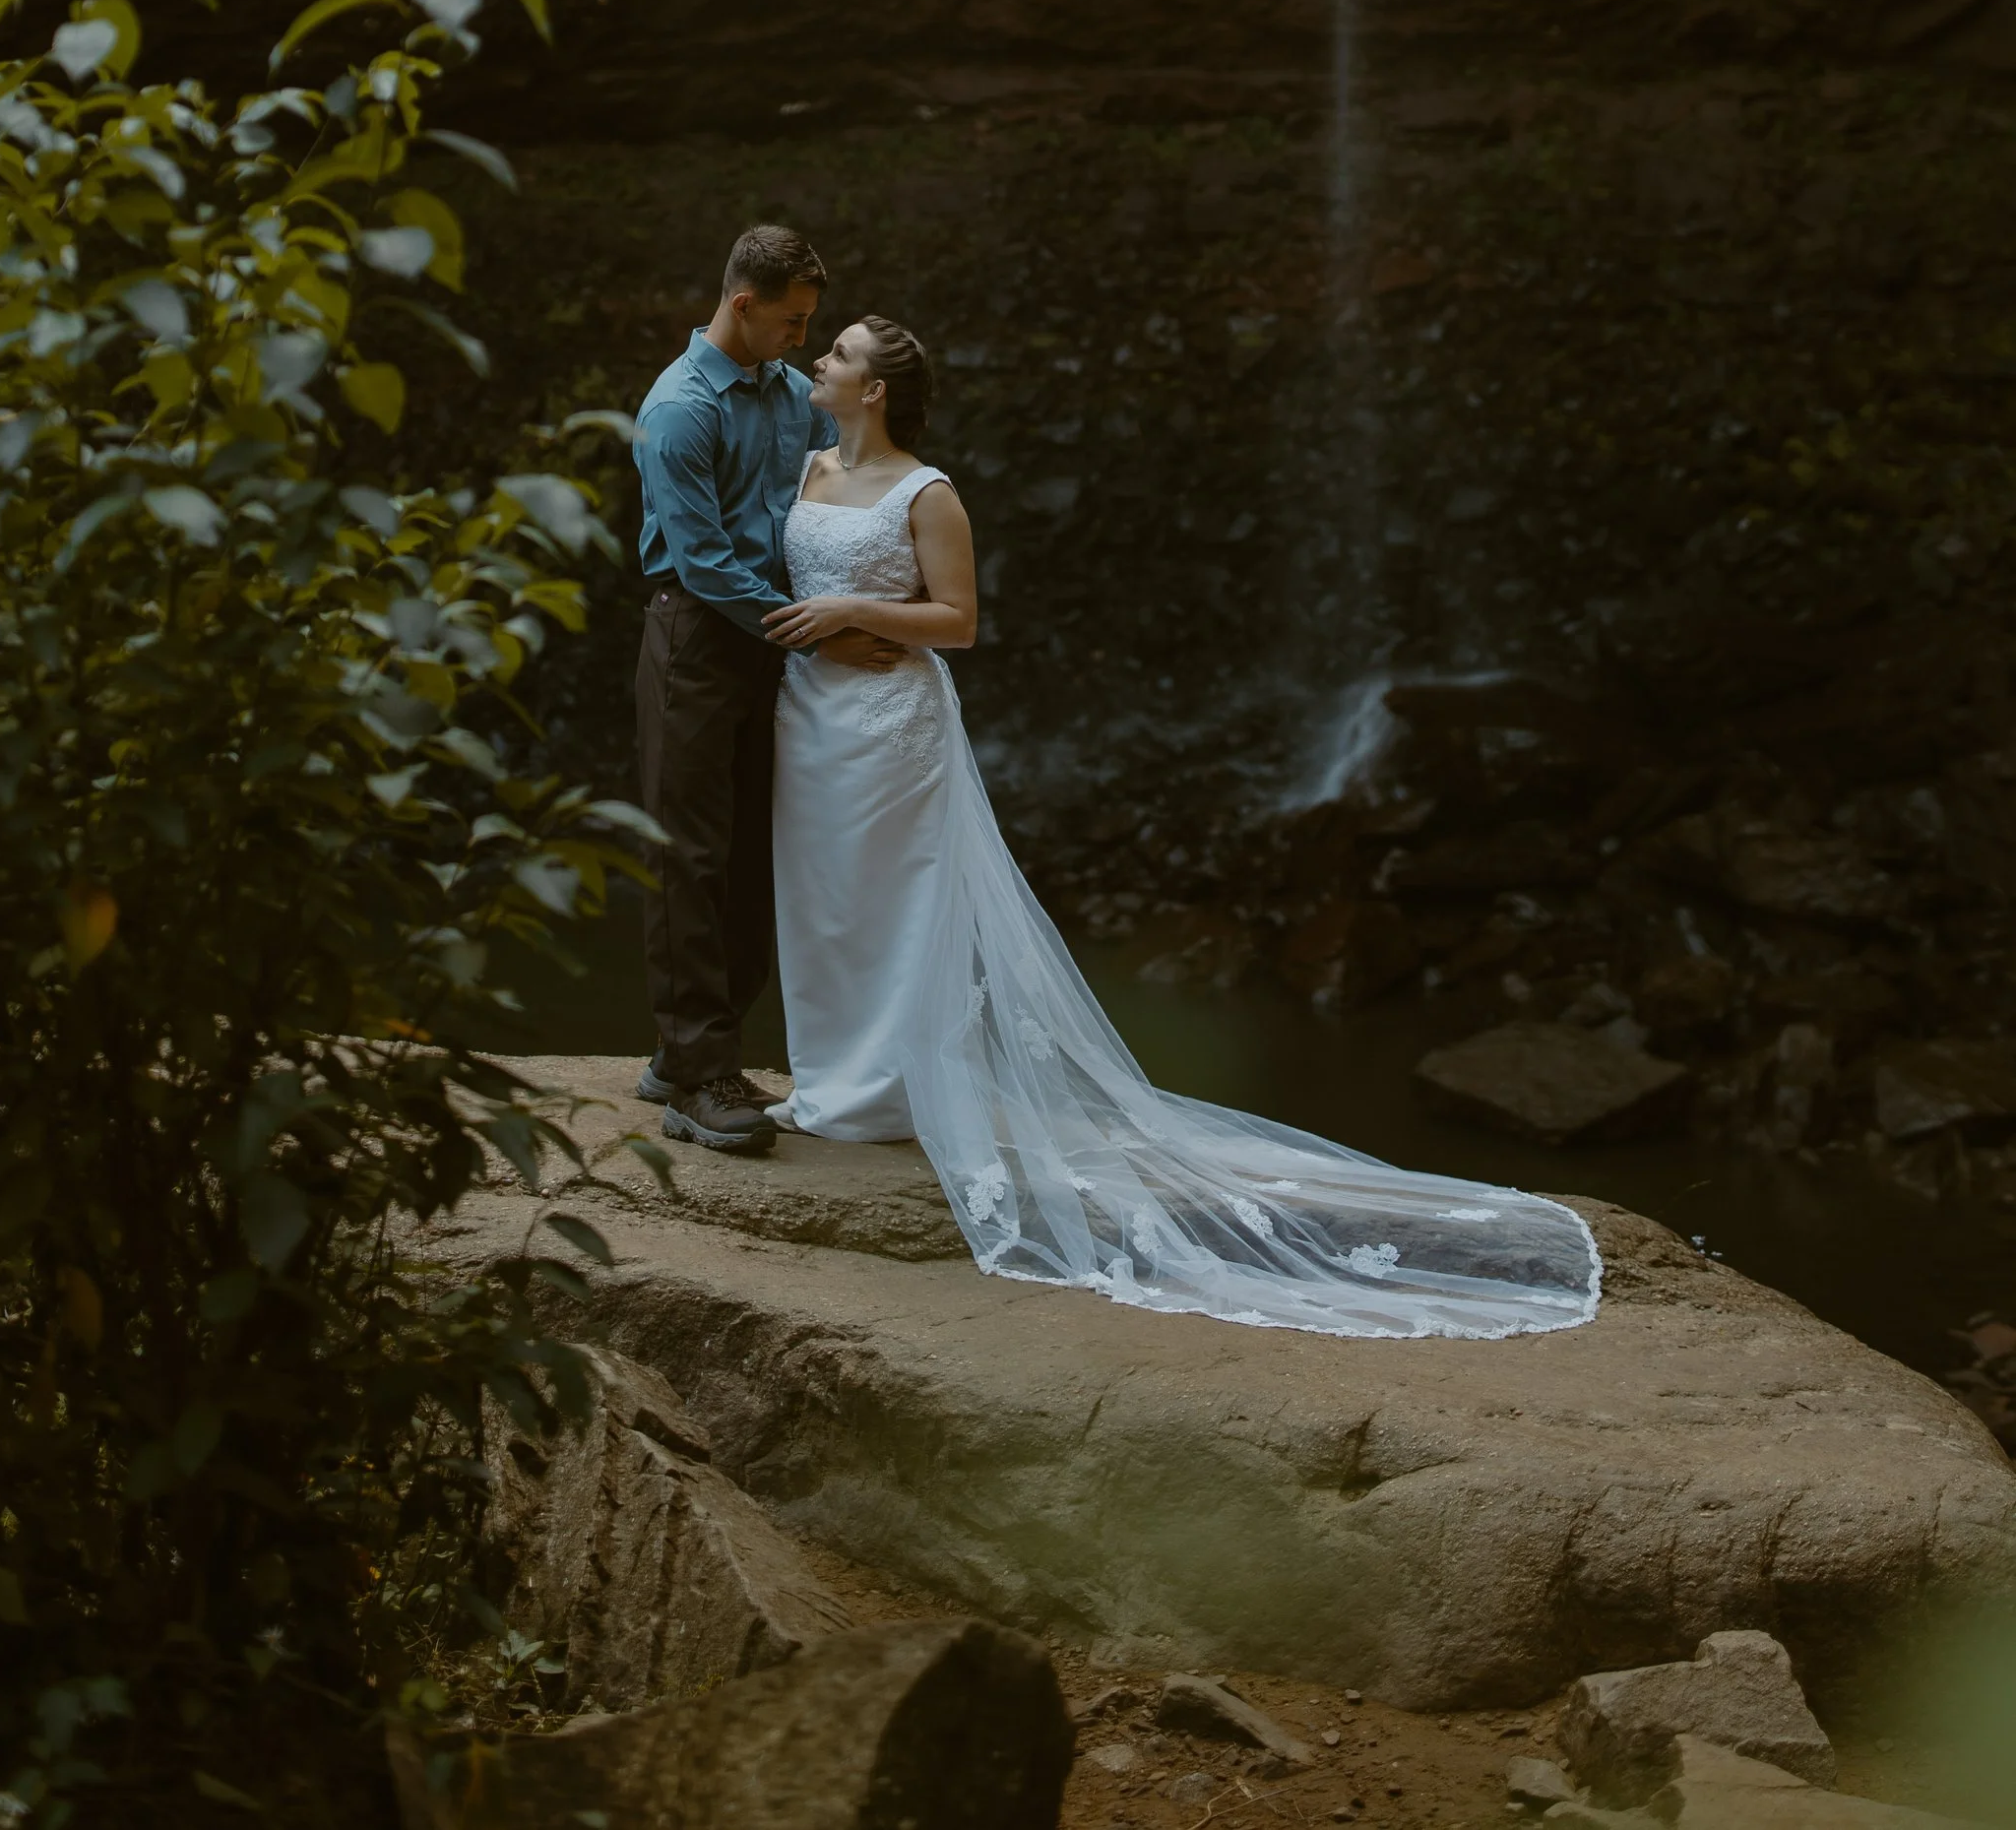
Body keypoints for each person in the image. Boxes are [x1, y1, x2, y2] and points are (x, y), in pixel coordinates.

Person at [759, 311, 1602, 1341]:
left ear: (876, 388)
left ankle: (883, 1096)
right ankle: (827, 1084)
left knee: (891, 899)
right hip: (809, 717)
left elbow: (960, 622)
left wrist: (857, 610)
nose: (819, 362)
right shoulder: (804, 472)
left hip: (893, 721)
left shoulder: (928, 493)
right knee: (818, 895)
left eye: (837, 353)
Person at [630, 224, 898, 1155]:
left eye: (811, 322)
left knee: (754, 855)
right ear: (742, 304)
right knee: (688, 855)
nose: (802, 338)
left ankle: (686, 1052)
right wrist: (825, 630)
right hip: (698, 640)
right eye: (792, 320)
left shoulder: (796, 399)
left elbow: (839, 505)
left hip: (776, 643)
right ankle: (698, 1073)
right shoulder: (678, 410)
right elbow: (703, 564)